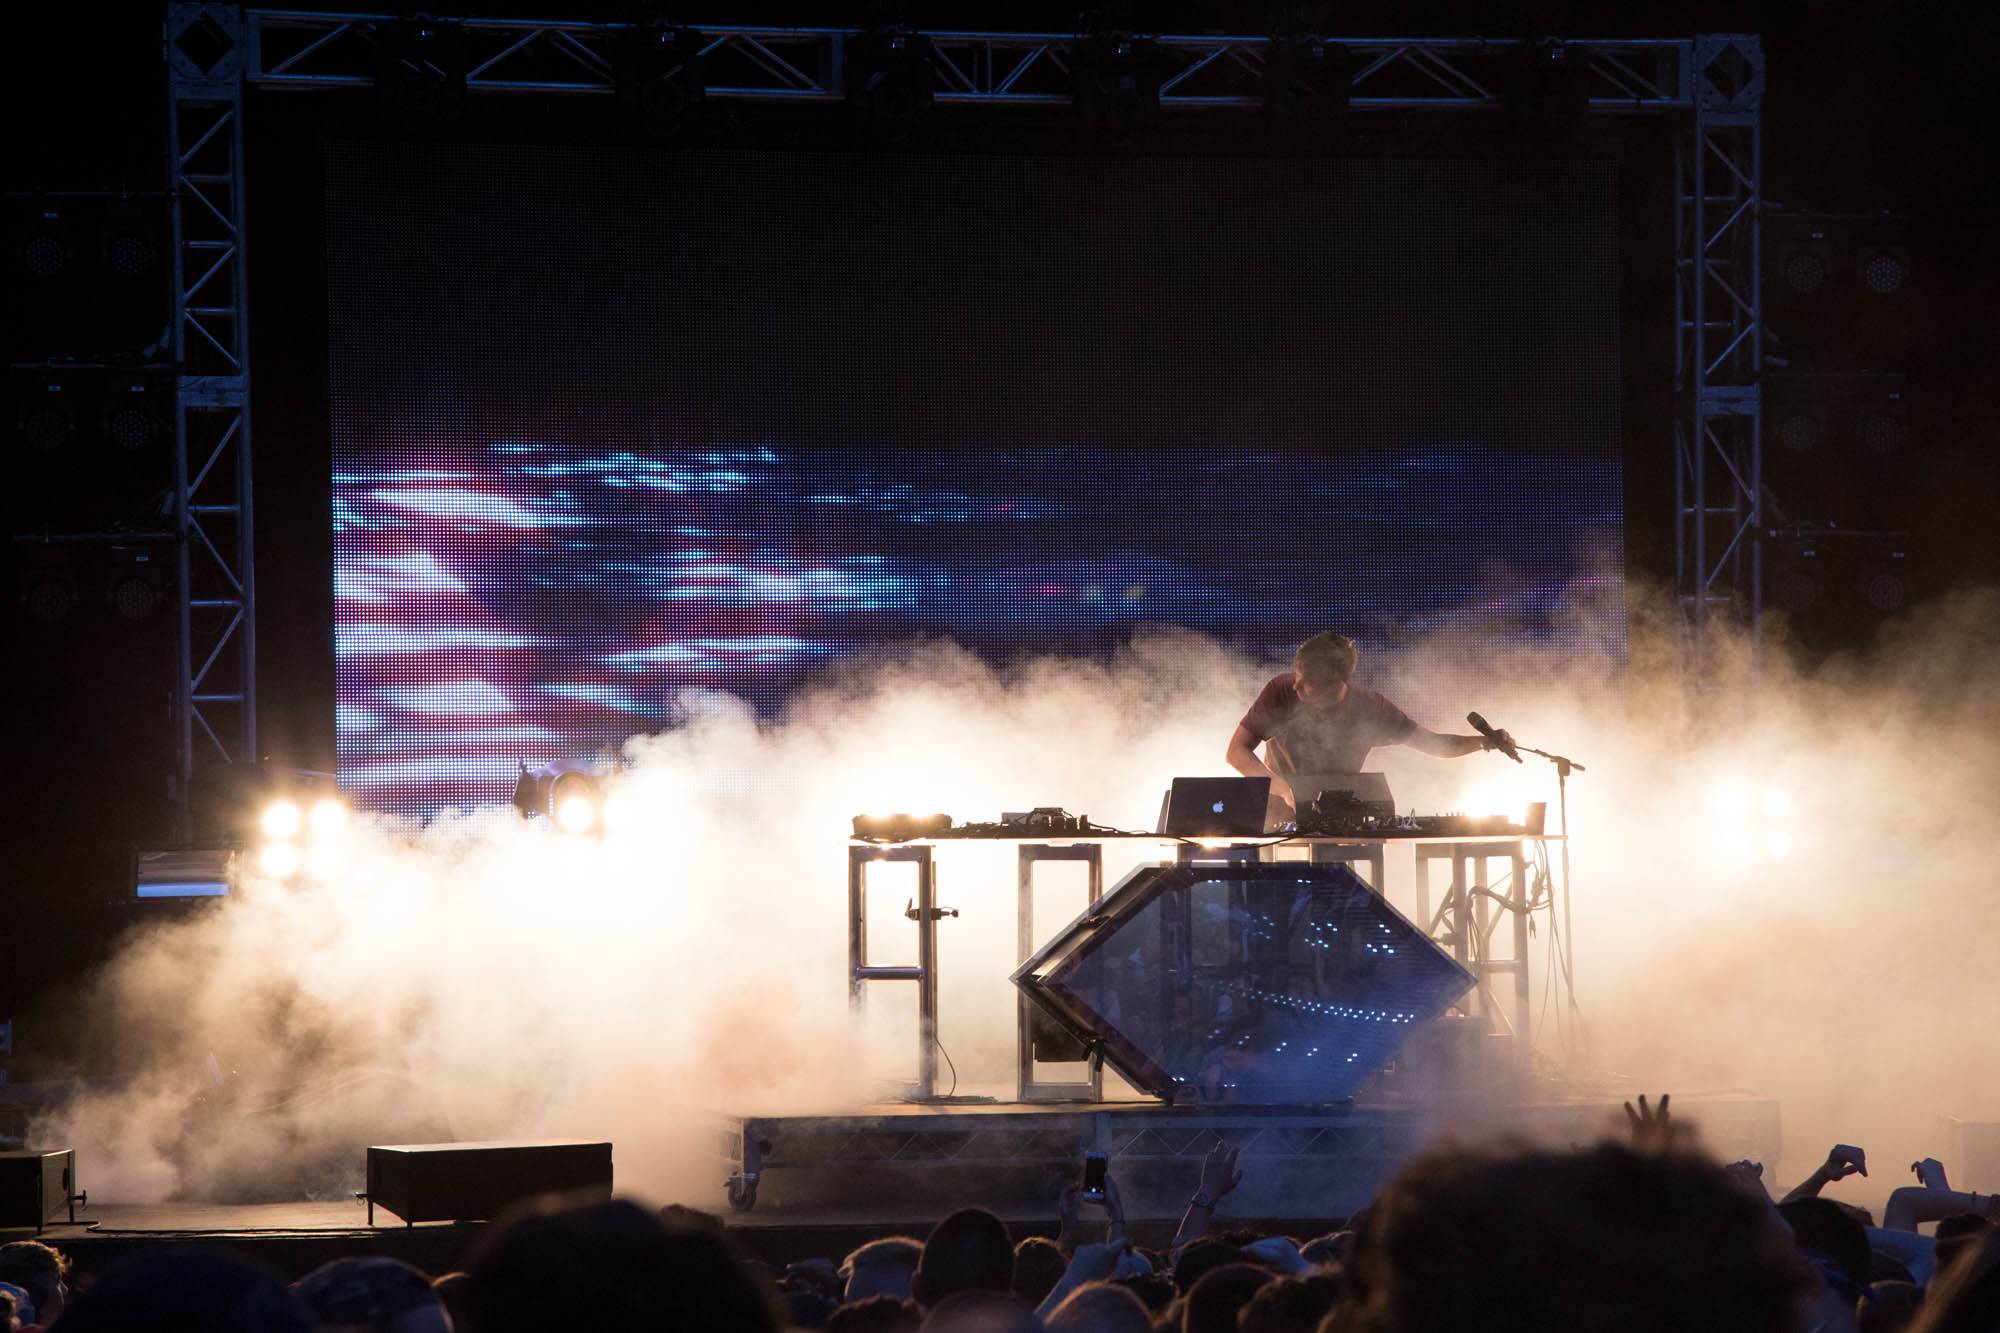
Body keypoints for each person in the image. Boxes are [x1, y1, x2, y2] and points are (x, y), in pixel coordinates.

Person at [1226, 632, 1511, 817]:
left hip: (1336, 817)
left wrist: (1486, 742)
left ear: (1336, 684)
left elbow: (1434, 744)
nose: (1296, 685)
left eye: (1307, 681)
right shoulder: (1281, 690)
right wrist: (1284, 789)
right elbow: (1236, 751)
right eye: (1297, 675)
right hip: (1275, 818)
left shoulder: (1371, 708)